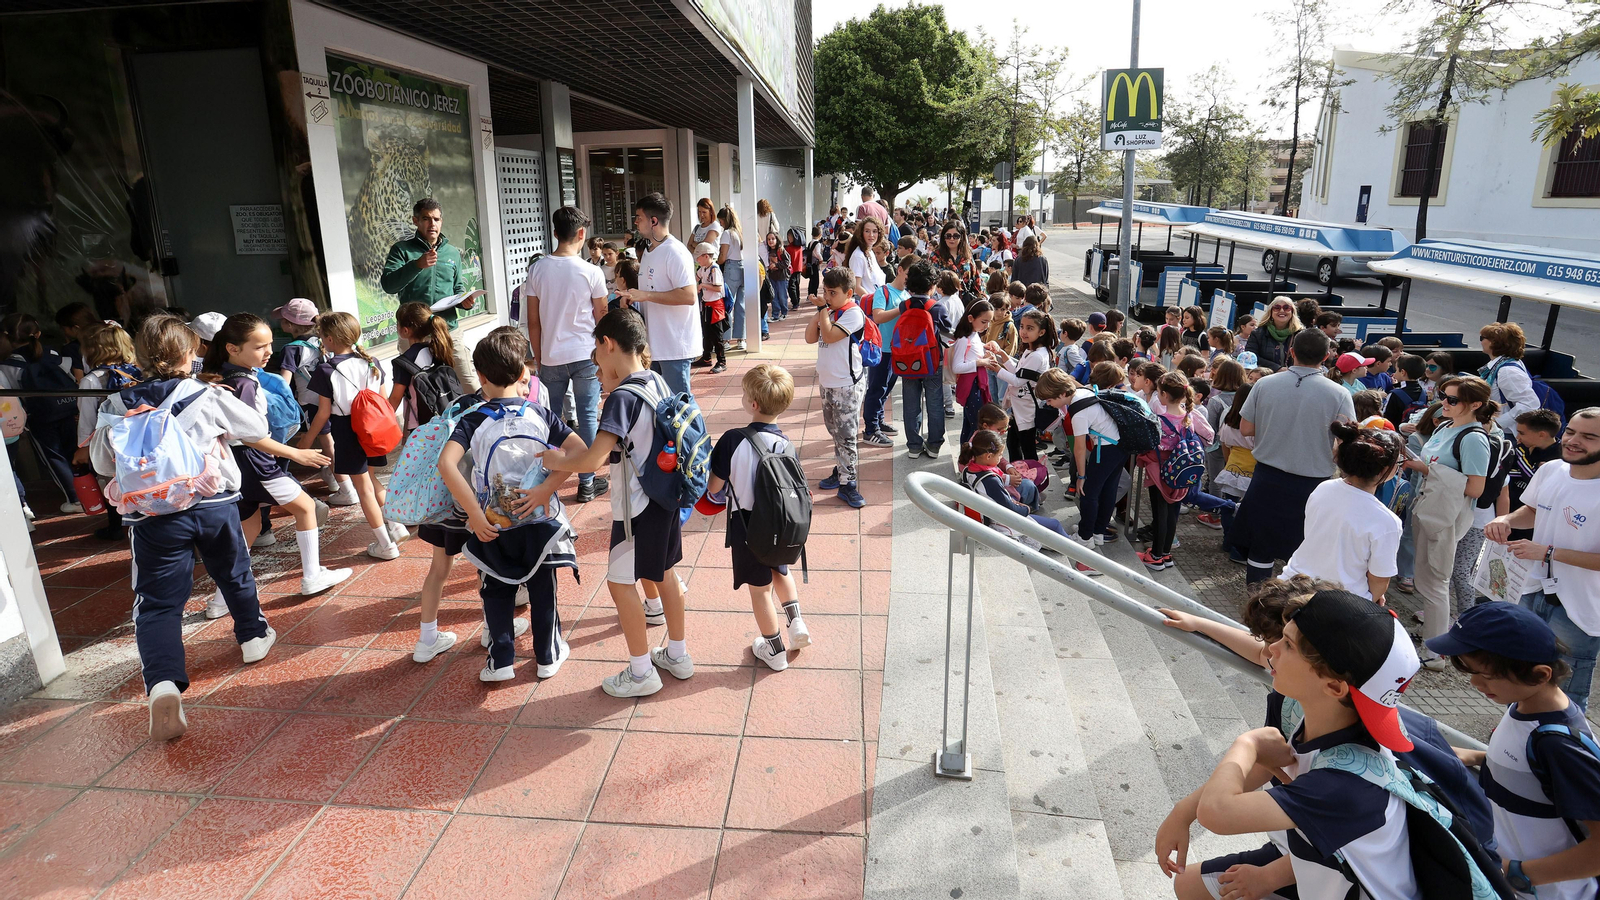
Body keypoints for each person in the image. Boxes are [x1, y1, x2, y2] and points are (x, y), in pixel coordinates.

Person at [89, 315, 280, 740]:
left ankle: (162, 684)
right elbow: (256, 429)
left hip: (153, 517)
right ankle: (252, 638)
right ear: (185, 355)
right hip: (213, 504)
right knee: (234, 572)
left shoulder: (115, 404)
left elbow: (103, 462)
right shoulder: (205, 393)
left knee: (157, 604)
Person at [1187, 589, 1425, 900]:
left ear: (1334, 687)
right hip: (1314, 865)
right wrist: (1182, 812)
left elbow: (1216, 812)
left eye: (1287, 645)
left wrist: (1247, 743)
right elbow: (1274, 767)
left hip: (1332, 883)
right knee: (1189, 885)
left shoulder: (1346, 786)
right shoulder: (1320, 715)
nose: (1271, 649)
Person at [538, 309, 691, 697]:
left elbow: (593, 460)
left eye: (597, 350)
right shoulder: (655, 379)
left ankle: (641, 673)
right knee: (664, 574)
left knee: (620, 584)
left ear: (607, 344)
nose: (597, 359)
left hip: (636, 510)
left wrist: (557, 461)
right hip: (666, 497)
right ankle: (678, 654)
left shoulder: (622, 398)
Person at [435, 329, 584, 682]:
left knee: (497, 589)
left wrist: (473, 513)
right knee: (542, 587)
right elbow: (578, 452)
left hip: (493, 521)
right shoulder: (539, 413)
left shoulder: (473, 419)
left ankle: (501, 661)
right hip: (539, 519)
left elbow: (446, 464)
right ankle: (547, 655)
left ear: (481, 377)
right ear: (522, 375)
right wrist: (546, 490)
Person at [1428, 603, 1600, 900]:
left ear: (1540, 674)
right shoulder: (1523, 705)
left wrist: (1517, 874)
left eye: (1487, 675)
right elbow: (1535, 776)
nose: (1474, 683)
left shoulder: (1558, 745)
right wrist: (1479, 757)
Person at [200, 312, 347, 611]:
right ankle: (312, 576)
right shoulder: (243, 383)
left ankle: (220, 600)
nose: (269, 352)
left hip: (237, 463)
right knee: (306, 507)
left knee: (249, 528)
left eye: (269, 344)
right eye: (259, 347)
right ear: (232, 348)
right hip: (254, 460)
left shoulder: (228, 376)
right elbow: (249, 435)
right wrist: (296, 453)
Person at [1484, 407, 1600, 709]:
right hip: (1531, 589)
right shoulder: (1552, 469)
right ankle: (1520, 730)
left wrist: (1547, 553)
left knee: (1567, 692)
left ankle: (1563, 749)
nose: (1574, 441)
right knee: (1522, 673)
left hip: (1579, 607)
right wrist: (1507, 520)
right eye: (1572, 432)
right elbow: (1534, 511)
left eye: (1589, 437)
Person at [703, 364, 813, 671]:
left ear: (753, 404)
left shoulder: (732, 440)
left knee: (759, 588)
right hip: (782, 520)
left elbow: (715, 488)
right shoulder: (786, 443)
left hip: (748, 523)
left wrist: (710, 495)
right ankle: (796, 622)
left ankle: (774, 650)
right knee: (780, 570)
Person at [1233, 328, 1356, 584]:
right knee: (1304, 547)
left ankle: (1257, 603)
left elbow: (1246, 428)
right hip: (1313, 483)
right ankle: (1294, 610)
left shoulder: (1265, 384)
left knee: (1261, 545)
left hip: (1267, 476)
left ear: (1291, 352)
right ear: (1325, 357)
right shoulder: (1339, 393)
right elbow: (1347, 440)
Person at [299, 311, 408, 561]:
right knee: (369, 479)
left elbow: (323, 413)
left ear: (328, 339)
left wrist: (306, 440)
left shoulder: (326, 370)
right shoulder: (372, 362)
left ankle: (386, 545)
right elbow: (381, 400)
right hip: (373, 427)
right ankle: (396, 525)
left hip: (347, 429)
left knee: (364, 490)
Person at [1406, 376, 1495, 666]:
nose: (1443, 402)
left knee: (1435, 581)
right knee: (1428, 579)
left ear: (1475, 405)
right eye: (1444, 396)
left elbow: (1476, 489)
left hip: (1445, 517)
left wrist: (1426, 469)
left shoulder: (1473, 438)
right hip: (1429, 509)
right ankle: (1432, 635)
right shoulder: (1446, 425)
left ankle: (1434, 653)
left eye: (1452, 400)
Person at [524, 206, 611, 503]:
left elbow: (533, 321)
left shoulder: (536, 269)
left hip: (550, 355)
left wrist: (538, 354)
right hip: (586, 354)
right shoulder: (591, 271)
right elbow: (603, 315)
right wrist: (602, 353)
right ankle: (587, 482)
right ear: (582, 234)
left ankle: (546, 478)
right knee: (587, 416)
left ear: (555, 232)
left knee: (551, 419)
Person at [1279, 422, 1403, 601]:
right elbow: (1379, 580)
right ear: (1385, 469)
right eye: (1399, 462)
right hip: (1340, 603)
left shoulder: (1324, 487)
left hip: (1293, 585)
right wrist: (1372, 599)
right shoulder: (1387, 521)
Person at [380, 198, 478, 389]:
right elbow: (389, 285)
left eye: (436, 219)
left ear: (441, 221)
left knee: (470, 386)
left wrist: (465, 301)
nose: (432, 224)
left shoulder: (452, 252)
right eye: (426, 218)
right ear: (415, 221)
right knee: (417, 390)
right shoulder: (402, 250)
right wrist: (417, 265)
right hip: (414, 334)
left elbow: (457, 287)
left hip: (448, 330)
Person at [274, 298, 354, 505]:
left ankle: (347, 488)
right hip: (333, 399)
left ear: (291, 325)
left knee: (328, 444)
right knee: (332, 441)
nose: (280, 323)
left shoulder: (292, 349)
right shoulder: (322, 341)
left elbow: (285, 381)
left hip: (311, 402)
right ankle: (335, 479)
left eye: (283, 319)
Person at [620, 192, 700, 395]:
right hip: (654, 344)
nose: (636, 223)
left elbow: (689, 296)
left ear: (653, 221)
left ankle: (697, 430)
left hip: (674, 345)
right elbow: (650, 292)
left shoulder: (676, 252)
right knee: (663, 406)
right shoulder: (648, 252)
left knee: (681, 409)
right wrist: (634, 300)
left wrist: (645, 296)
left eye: (639, 217)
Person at [1136, 372, 1216, 572]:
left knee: (1160, 513)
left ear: (1163, 394)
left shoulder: (1158, 420)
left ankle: (1155, 556)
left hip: (1160, 471)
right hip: (1182, 470)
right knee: (1173, 513)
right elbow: (1209, 436)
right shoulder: (1190, 415)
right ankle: (1166, 553)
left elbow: (1148, 446)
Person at [72, 323, 142, 540]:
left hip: (108, 441)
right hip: (138, 435)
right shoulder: (138, 372)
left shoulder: (91, 380)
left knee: (110, 480)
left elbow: (87, 418)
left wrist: (82, 447)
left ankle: (116, 526)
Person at [807, 266, 868, 508]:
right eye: (825, 291)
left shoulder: (853, 313)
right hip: (828, 382)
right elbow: (811, 337)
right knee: (835, 430)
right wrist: (821, 311)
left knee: (847, 435)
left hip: (846, 384)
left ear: (849, 293)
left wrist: (823, 309)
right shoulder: (829, 311)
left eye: (832, 293)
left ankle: (848, 483)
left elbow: (830, 336)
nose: (827, 297)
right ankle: (841, 469)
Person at [889, 260, 952, 458]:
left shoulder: (904, 305)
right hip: (932, 362)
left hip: (907, 360)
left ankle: (914, 446)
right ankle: (933, 445)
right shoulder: (936, 307)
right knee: (934, 403)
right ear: (932, 285)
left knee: (911, 403)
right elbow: (948, 331)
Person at [863, 251, 913, 446]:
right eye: (908, 274)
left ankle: (878, 421)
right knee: (876, 389)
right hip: (881, 349)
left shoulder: (907, 294)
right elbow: (878, 316)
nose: (910, 279)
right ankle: (870, 429)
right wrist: (902, 308)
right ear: (900, 270)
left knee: (886, 388)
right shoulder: (883, 291)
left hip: (897, 350)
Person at [997, 309, 1056, 462]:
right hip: (1020, 408)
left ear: (1041, 332)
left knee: (1027, 448)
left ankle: (1031, 479)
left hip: (1027, 409)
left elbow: (1017, 381)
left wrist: (996, 368)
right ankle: (1019, 475)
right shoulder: (1031, 349)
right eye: (1022, 326)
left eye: (1030, 328)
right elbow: (1019, 373)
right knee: (1013, 443)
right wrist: (1003, 356)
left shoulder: (1037, 355)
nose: (1023, 331)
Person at [1508, 409, 1564, 539]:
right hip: (1511, 512)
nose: (1518, 438)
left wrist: (1522, 456)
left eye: (1521, 433)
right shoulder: (1526, 448)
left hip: (1533, 520)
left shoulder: (1562, 456)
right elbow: (1506, 473)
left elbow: (1534, 479)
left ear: (1542, 435)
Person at [1480, 322, 1542, 435]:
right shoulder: (1504, 363)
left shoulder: (1506, 371)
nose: (1481, 341)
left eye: (1482, 338)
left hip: (1506, 433)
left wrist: (1497, 423)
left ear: (1494, 343)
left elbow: (1530, 404)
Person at [692, 242, 728, 373]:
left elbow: (718, 288)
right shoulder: (703, 269)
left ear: (706, 256)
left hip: (716, 306)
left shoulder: (714, 269)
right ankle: (706, 357)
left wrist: (703, 285)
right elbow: (695, 278)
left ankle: (722, 361)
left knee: (717, 335)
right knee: (706, 333)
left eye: (699, 257)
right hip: (707, 305)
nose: (697, 260)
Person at [716, 204, 748, 352]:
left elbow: (722, 256)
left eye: (721, 221)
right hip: (743, 268)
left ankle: (726, 339)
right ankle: (741, 338)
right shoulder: (739, 232)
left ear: (724, 220)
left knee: (728, 303)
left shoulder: (726, 234)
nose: (720, 224)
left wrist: (714, 263)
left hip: (731, 268)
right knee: (741, 305)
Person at [1243, 297, 1301, 372]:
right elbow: (1251, 357)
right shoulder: (1258, 333)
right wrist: (1277, 368)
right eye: (1277, 308)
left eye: (1286, 308)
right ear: (1270, 312)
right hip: (1265, 377)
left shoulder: (1300, 334)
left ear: (1292, 312)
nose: (1282, 310)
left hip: (1293, 377)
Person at [933, 224, 982, 294]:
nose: (952, 239)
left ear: (961, 237)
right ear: (943, 238)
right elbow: (932, 280)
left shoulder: (967, 255)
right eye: (948, 236)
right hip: (943, 299)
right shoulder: (935, 256)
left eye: (956, 236)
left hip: (965, 300)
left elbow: (976, 278)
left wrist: (980, 295)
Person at [763, 230, 791, 324]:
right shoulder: (767, 251)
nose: (770, 241)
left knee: (782, 296)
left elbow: (787, 263)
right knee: (773, 296)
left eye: (773, 239)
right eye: (768, 239)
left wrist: (776, 265)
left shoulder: (781, 250)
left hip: (781, 277)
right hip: (772, 277)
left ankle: (784, 312)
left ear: (777, 239)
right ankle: (775, 314)